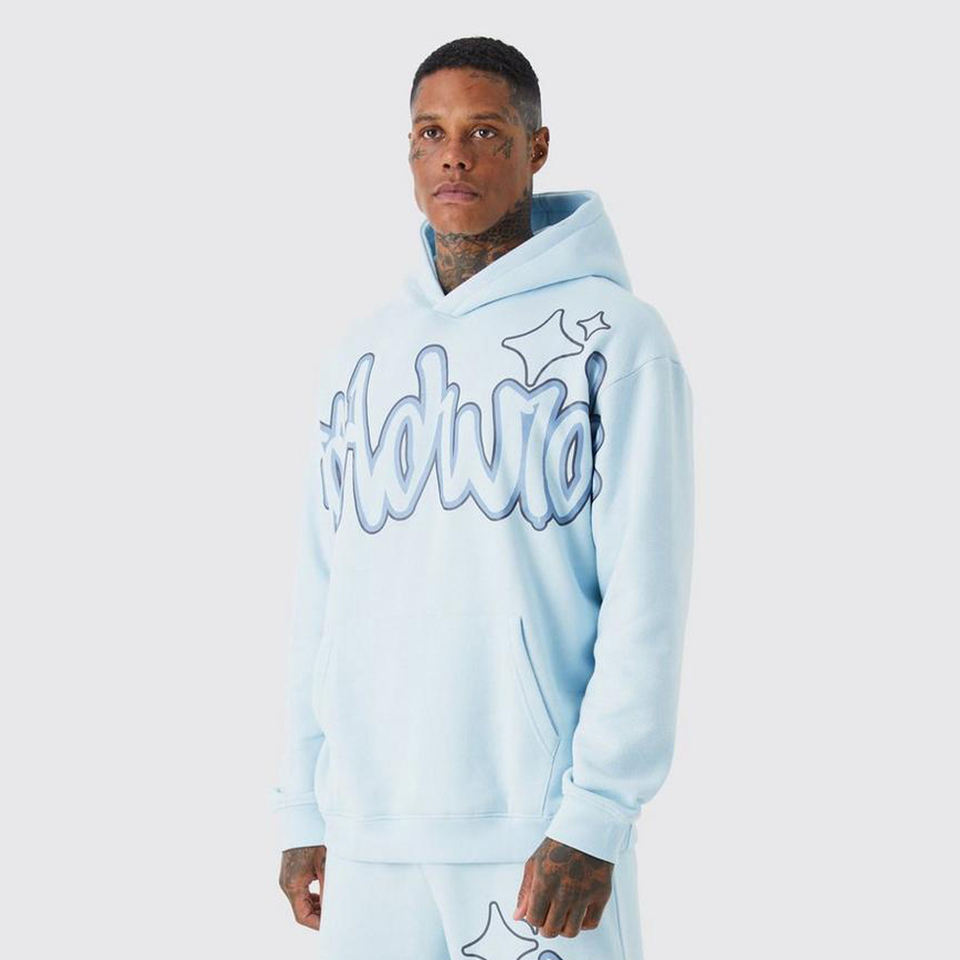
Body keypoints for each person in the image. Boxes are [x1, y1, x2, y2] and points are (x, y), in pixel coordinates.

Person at [271, 36, 695, 959]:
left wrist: (598, 813)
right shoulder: (362, 354)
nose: (453, 156)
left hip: (536, 830)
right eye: (431, 133)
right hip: (369, 829)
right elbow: (321, 588)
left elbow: (647, 596)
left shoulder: (617, 340)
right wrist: (303, 800)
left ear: (536, 149)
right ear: (409, 151)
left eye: (484, 132)